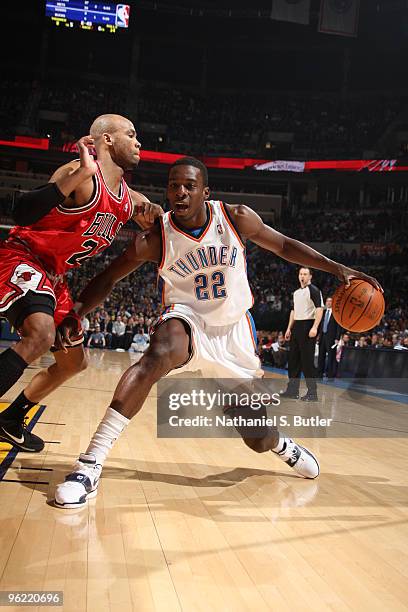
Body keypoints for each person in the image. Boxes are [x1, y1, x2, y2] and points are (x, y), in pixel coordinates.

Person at [53, 156, 382, 509]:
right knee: (160, 351)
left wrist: (336, 268)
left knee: (256, 437)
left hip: (234, 332)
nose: (180, 192)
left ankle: (280, 444)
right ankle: (90, 463)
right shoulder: (156, 238)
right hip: (187, 318)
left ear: (204, 192)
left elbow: (284, 246)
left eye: (189, 186)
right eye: (173, 185)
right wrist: (77, 313)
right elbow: (108, 278)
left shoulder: (235, 217)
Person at [0, 114, 163, 452]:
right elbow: (22, 213)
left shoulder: (130, 199)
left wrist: (157, 214)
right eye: (130, 135)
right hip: (21, 255)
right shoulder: (77, 174)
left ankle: (11, 419)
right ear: (106, 140)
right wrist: (81, 174)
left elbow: (156, 214)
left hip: (54, 276)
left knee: (74, 362)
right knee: (42, 333)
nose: (138, 142)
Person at [281, 268, 323, 401]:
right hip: (297, 327)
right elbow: (293, 311)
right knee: (293, 361)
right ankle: (292, 390)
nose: (302, 276)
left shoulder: (314, 290)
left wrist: (315, 327)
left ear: (310, 276)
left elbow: (319, 309)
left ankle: (312, 393)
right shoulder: (296, 293)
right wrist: (289, 328)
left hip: (308, 326)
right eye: (300, 274)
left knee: (307, 362)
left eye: (305, 274)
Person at [317, 296, 342, 380]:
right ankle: (319, 374)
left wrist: (337, 338)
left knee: (331, 357)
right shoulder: (323, 312)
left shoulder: (336, 313)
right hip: (322, 337)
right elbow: (320, 325)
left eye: (330, 301)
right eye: (327, 301)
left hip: (331, 338)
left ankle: (330, 376)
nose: (328, 303)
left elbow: (339, 326)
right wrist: (318, 335)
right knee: (321, 356)